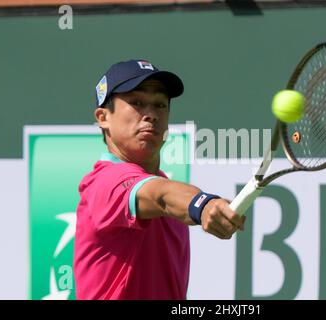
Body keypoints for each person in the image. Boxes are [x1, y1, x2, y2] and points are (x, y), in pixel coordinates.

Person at [73, 59, 245, 300]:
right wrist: (203, 204)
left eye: (160, 105)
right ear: (103, 117)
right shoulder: (104, 183)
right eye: (137, 103)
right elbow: (161, 195)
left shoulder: (163, 185)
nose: (151, 115)